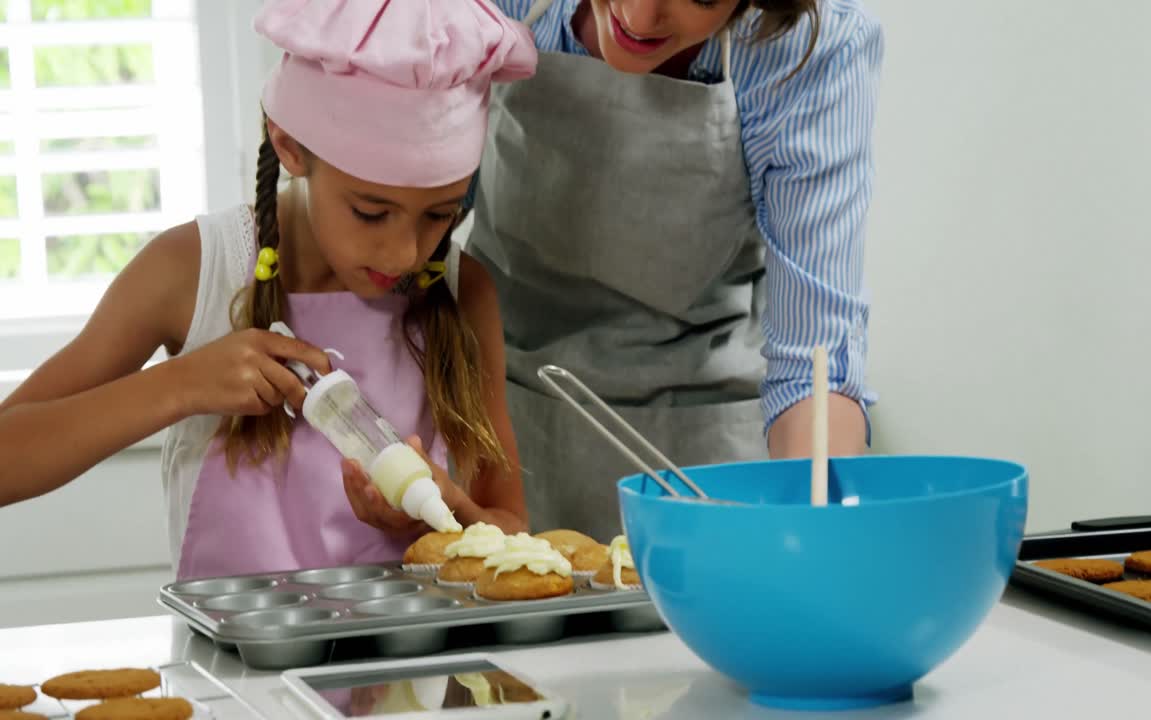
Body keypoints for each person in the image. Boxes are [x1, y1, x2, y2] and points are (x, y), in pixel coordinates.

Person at [0, 0, 537, 580]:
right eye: (371, 212)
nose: (406, 253)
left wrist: (438, 514)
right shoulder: (194, 271)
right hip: (228, 673)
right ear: (289, 147)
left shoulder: (462, 290)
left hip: (417, 672)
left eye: (439, 215)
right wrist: (181, 385)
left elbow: (507, 523)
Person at [465, 0, 884, 540]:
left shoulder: (808, 51)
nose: (638, 19)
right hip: (497, 435)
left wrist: (816, 536)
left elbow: (813, 368)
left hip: (702, 466)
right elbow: (408, 234)